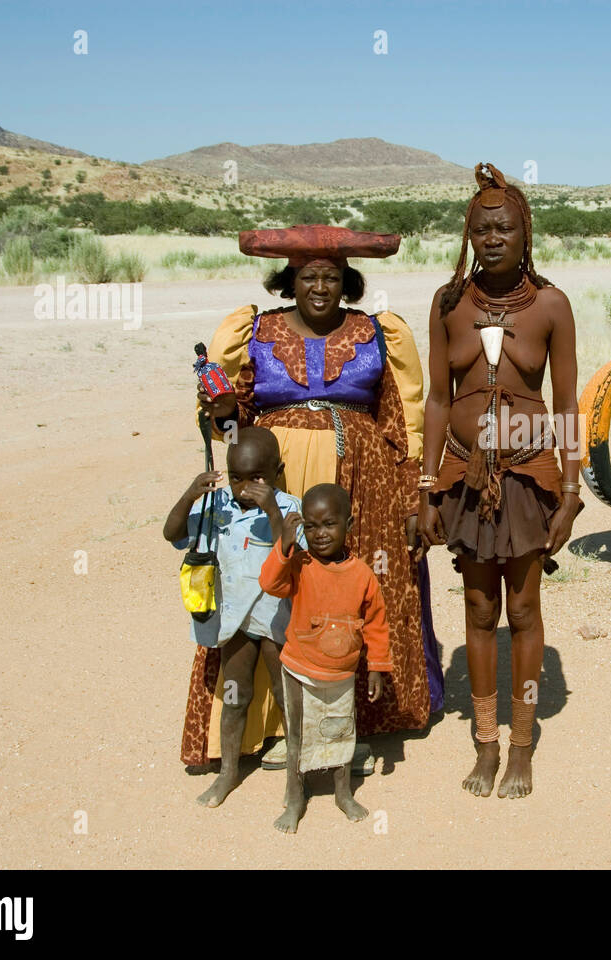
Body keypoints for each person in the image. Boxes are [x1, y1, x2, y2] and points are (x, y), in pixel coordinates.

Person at [180, 224, 443, 777]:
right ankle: (269, 728)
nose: (320, 287)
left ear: (347, 282)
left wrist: (411, 490)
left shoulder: (379, 332)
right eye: (308, 277)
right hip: (275, 480)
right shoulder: (254, 330)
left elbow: (403, 416)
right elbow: (231, 420)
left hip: (361, 485)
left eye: (330, 277)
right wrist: (219, 421)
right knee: (267, 593)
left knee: (347, 594)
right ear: (289, 281)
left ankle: (347, 727)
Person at [418, 164, 583, 799]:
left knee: (523, 608)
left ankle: (522, 747)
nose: (492, 238)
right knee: (479, 607)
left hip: (529, 478)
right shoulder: (447, 304)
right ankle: (484, 743)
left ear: (525, 234)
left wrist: (570, 492)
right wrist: (427, 487)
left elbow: (568, 404)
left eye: (505, 228)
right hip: (463, 474)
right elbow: (437, 400)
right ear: (468, 234)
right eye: (482, 228)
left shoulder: (550, 306)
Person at [164, 427, 302, 807]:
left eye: (257, 478)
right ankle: (227, 773)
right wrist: (191, 493)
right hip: (235, 622)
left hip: (277, 620)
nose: (244, 487)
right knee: (235, 695)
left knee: (286, 697)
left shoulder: (289, 508)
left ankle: (295, 779)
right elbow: (171, 533)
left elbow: (291, 556)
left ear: (278, 471)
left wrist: (272, 509)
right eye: (236, 477)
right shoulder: (215, 506)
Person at [261, 483, 389, 830]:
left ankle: (343, 792)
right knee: (298, 737)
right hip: (300, 669)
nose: (319, 535)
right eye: (311, 526)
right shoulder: (300, 564)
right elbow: (269, 584)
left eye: (329, 524)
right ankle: (295, 795)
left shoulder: (362, 574)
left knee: (341, 732)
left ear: (349, 523)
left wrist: (377, 667)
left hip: (342, 674)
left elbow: (376, 624)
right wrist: (285, 545)